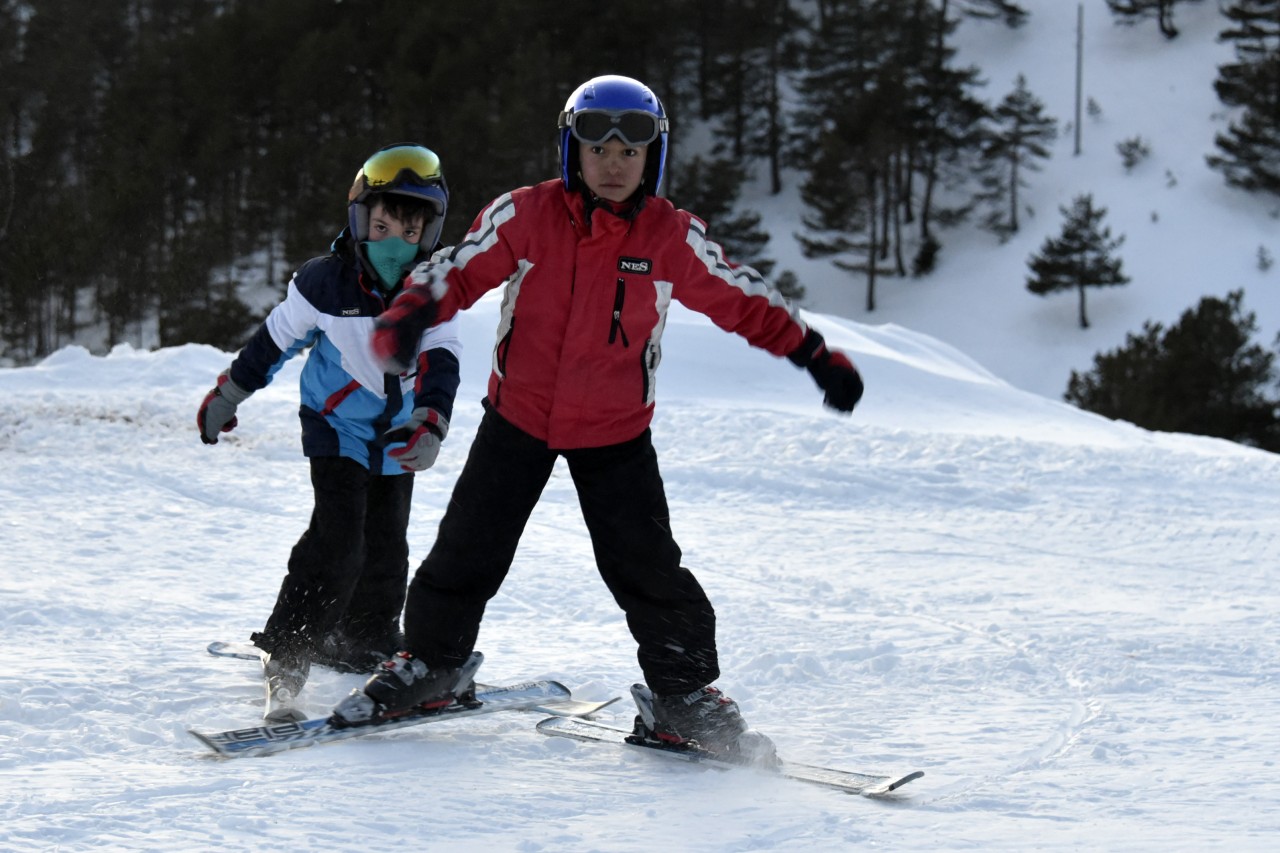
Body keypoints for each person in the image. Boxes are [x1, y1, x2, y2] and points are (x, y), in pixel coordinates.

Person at [332, 76, 862, 759]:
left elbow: (744, 298)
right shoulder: (526, 215)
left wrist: (812, 354)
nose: (614, 164)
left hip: (616, 431)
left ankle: (681, 696)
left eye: (630, 152)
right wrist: (410, 314)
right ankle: (431, 664)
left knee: (648, 569)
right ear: (571, 151)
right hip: (518, 416)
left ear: (653, 159)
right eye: (598, 148)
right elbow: (457, 269)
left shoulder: (669, 236)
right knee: (466, 548)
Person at [196, 143, 462, 704]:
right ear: (358, 219)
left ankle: (362, 638)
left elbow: (443, 360)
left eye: (409, 234)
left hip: (397, 435)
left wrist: (430, 421)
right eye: (381, 225)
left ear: (430, 235)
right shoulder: (323, 284)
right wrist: (229, 393)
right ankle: (290, 642)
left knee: (388, 544)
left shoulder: (435, 292)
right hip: (334, 425)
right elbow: (271, 343)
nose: (392, 244)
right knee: (340, 539)